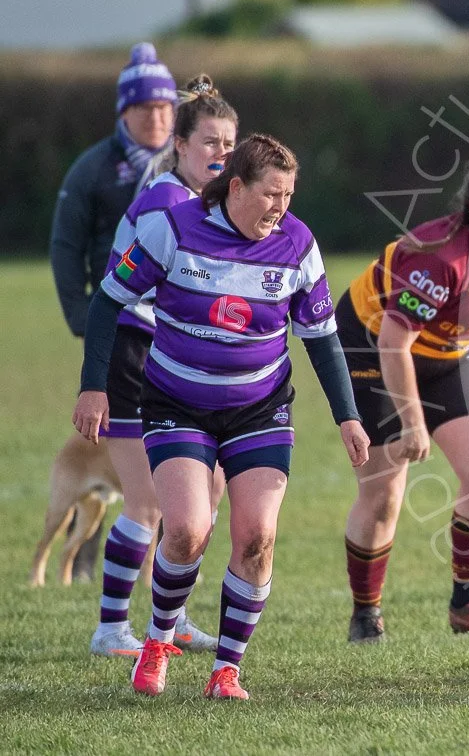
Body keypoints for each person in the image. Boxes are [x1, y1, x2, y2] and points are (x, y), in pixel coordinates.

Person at [73, 134, 370, 700]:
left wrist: (348, 417)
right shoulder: (174, 228)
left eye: (288, 195)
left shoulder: (297, 243)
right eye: (270, 194)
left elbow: (322, 338)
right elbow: (109, 300)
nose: (280, 208)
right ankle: (159, 641)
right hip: (176, 404)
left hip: (261, 409)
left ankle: (226, 670)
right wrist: (93, 388)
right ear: (235, 187)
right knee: (186, 531)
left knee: (257, 536)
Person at [338, 155, 469, 643]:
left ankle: (468, 600)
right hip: (371, 345)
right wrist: (412, 422)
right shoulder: (440, 258)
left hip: (449, 350)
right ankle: (366, 615)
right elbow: (393, 343)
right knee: (385, 491)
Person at [88, 75, 238, 658]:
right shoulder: (168, 200)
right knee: (151, 502)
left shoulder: (205, 203)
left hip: (176, 356)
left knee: (208, 493)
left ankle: (169, 621)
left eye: (229, 144)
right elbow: (123, 294)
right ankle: (110, 630)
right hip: (135, 351)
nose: (220, 154)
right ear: (179, 145)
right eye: (209, 143)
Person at [48, 42, 178, 582]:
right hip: (116, 321)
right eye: (146, 107)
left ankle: (167, 558)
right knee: (104, 434)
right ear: (124, 111)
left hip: (172, 327)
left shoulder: (187, 164)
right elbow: (65, 246)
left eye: (167, 107)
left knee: (170, 429)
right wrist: (83, 316)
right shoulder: (94, 168)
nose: (158, 117)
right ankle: (85, 552)